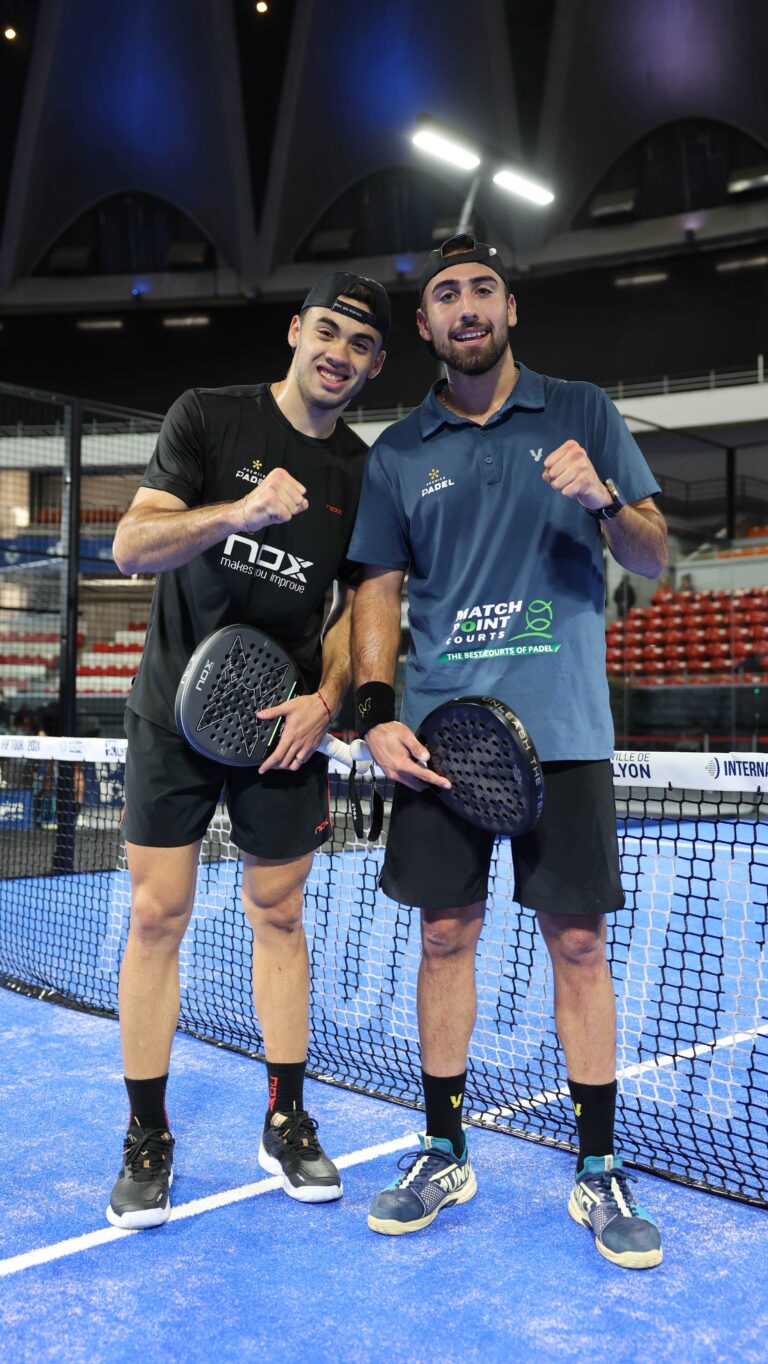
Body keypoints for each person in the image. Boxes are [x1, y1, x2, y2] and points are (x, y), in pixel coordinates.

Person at [348, 233, 668, 1269]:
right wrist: (375, 707)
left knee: (577, 944)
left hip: (564, 731)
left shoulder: (583, 411)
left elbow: (653, 555)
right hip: (441, 737)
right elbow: (378, 589)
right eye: (446, 294)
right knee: (445, 935)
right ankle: (444, 1148)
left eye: (483, 288)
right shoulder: (398, 451)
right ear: (427, 326)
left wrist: (605, 498)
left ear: (510, 307)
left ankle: (597, 1164)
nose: (467, 306)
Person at [108, 271, 389, 1229]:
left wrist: (328, 700)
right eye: (328, 331)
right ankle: (147, 1134)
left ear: (376, 364)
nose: (339, 353)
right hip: (172, 712)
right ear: (295, 331)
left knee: (280, 912)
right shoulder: (208, 417)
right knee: (157, 914)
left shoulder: (362, 472)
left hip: (285, 723)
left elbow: (357, 609)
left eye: (360, 344)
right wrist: (236, 514)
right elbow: (131, 547)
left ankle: (286, 1119)